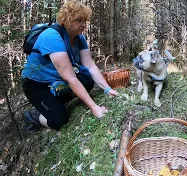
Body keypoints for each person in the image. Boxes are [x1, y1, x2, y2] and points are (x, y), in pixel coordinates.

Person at [21, 0, 118, 132]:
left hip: (55, 79)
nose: (84, 24)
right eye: (79, 20)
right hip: (36, 83)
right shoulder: (52, 37)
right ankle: (33, 116)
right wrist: (95, 108)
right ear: (67, 19)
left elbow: (90, 66)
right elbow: (70, 78)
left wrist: (107, 89)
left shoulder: (79, 38)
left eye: (85, 20)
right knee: (59, 120)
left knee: (87, 80)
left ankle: (54, 103)